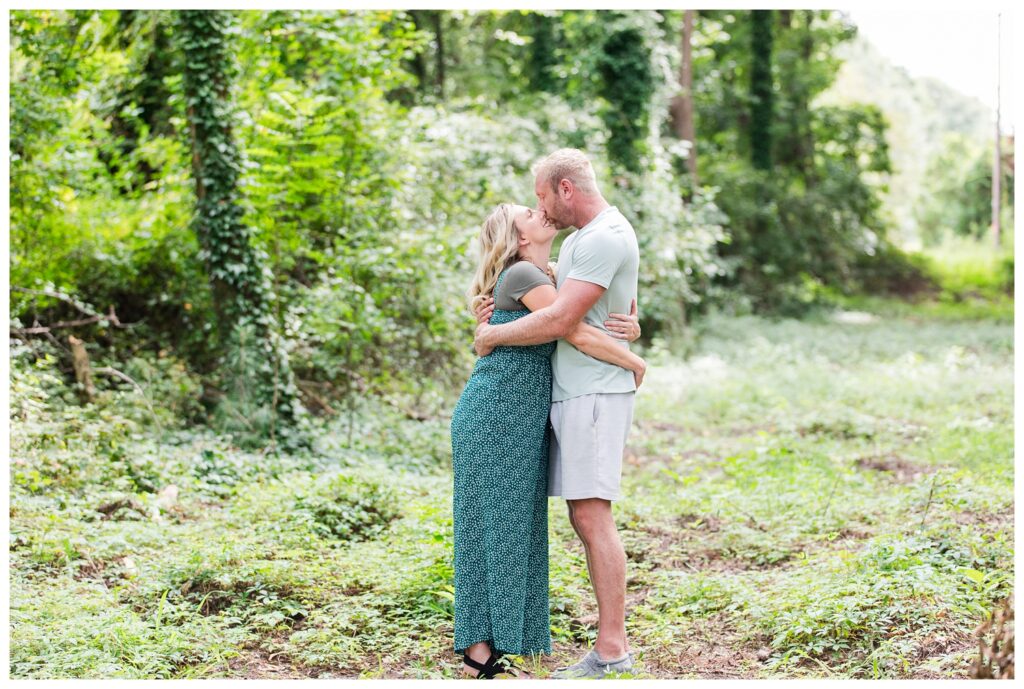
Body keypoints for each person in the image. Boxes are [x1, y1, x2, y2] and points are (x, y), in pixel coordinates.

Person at [451, 202, 644, 679]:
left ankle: (495, 645)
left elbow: (585, 309)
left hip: (523, 417)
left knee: (516, 527)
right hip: (496, 414)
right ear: (518, 239)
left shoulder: (548, 272)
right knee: (487, 526)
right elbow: (571, 329)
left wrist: (631, 325)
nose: (541, 212)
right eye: (529, 214)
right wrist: (633, 361)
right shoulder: (520, 276)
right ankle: (478, 652)